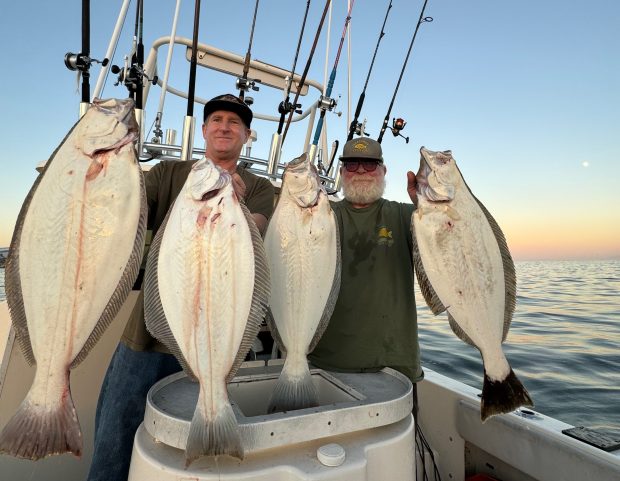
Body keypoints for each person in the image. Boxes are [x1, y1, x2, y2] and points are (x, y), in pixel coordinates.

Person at [87, 94, 275, 481]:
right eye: (217, 119)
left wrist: (231, 205)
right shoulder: (170, 173)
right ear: (204, 130)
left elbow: (257, 225)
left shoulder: (257, 186)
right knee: (116, 431)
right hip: (148, 336)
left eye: (234, 123)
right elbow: (125, 199)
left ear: (247, 135)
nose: (225, 126)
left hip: (219, 336)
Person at [308, 136, 423, 400]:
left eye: (370, 165)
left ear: (384, 171)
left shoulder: (406, 215)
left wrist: (425, 206)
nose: (361, 171)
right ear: (341, 173)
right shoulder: (320, 216)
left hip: (394, 362)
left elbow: (448, 243)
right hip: (326, 361)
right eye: (352, 164)